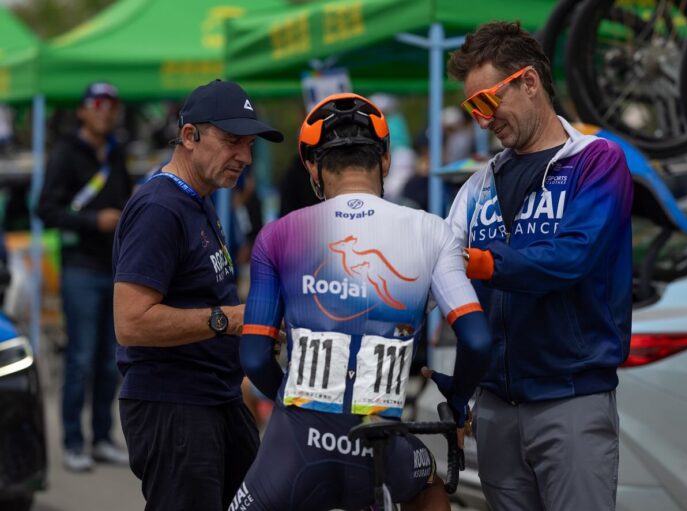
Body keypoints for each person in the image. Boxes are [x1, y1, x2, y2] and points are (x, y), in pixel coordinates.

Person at [231, 93, 492, 511]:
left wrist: (299, 407)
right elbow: (477, 341)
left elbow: (255, 358)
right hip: (381, 448)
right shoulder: (432, 231)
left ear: (313, 167)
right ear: (385, 161)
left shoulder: (278, 235)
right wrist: (457, 404)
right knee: (432, 486)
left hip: (295, 446)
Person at [444, 21, 633, 511]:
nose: (482, 121)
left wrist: (480, 261)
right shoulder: (478, 184)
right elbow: (439, 270)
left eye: (486, 102)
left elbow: (571, 257)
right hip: (494, 410)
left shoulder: (596, 160)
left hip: (570, 399)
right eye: (472, 109)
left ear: (528, 82)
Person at [112, 79, 284, 511]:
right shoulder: (160, 208)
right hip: (174, 405)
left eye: (249, 144)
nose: (244, 156)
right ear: (190, 136)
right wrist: (229, 319)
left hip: (215, 397)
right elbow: (130, 322)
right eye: (231, 141)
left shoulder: (197, 199)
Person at [37, 82, 133, 472]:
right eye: (97, 104)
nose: (105, 111)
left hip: (114, 269)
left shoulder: (117, 151)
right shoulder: (64, 153)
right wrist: (94, 220)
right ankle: (74, 441)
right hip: (79, 267)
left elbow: (127, 201)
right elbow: (46, 209)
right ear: (81, 111)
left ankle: (102, 437)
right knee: (79, 359)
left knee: (111, 360)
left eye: (111, 104)